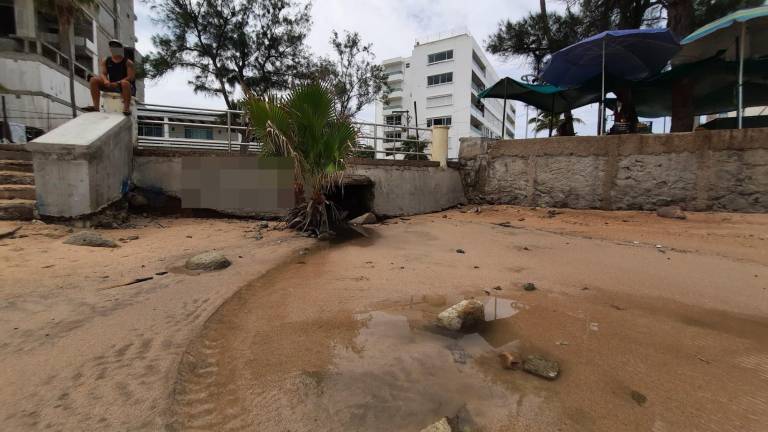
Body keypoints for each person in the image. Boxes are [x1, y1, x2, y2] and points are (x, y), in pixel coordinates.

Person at [82, 40, 135, 115]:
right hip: (111, 85)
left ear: (120, 49)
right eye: (112, 47)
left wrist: (117, 83)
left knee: (125, 83)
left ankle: (126, 108)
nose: (114, 49)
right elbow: (103, 73)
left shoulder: (128, 62)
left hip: (124, 86)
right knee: (93, 80)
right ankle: (96, 107)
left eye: (116, 47)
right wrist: (106, 81)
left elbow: (131, 77)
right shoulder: (106, 60)